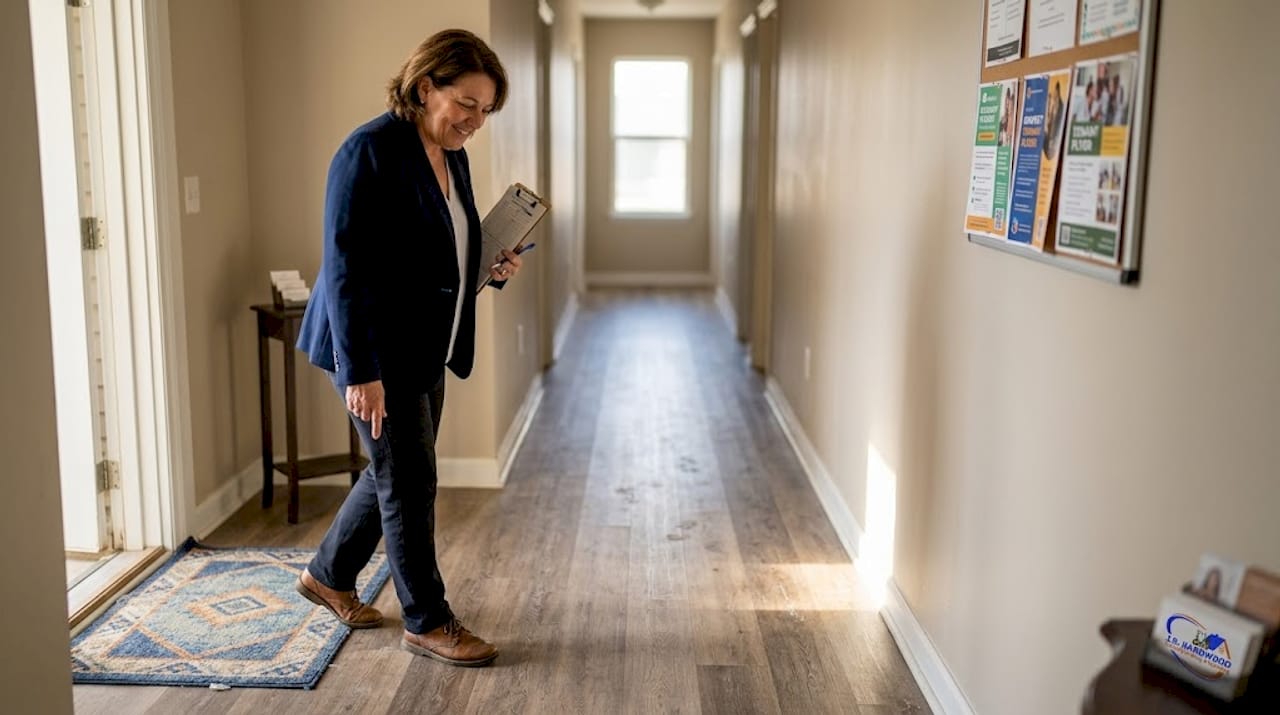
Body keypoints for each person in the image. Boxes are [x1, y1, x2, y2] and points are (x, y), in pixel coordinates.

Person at [293, 28, 522, 668]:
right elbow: (344, 269)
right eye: (468, 105)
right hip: (375, 352)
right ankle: (427, 619)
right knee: (411, 481)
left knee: (395, 472)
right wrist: (359, 373)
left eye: (486, 111)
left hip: (428, 345)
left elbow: (443, 248)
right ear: (427, 87)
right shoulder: (367, 151)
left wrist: (489, 266)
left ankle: (327, 574)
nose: (476, 122)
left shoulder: (452, 155)